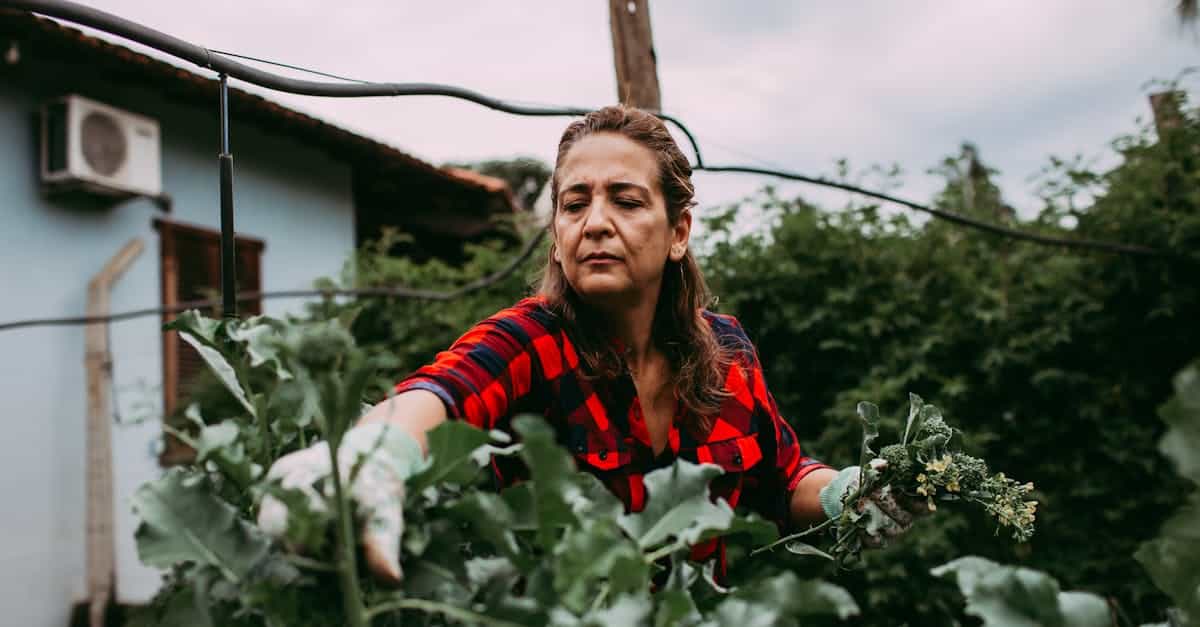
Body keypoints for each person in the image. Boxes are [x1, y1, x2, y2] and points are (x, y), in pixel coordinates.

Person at [258, 105, 924, 584]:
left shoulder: (728, 349)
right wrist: (374, 453)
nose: (595, 221)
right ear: (555, 235)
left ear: (679, 232)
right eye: (574, 204)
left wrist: (845, 491)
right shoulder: (531, 341)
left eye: (626, 201)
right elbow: (439, 393)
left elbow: (783, 478)